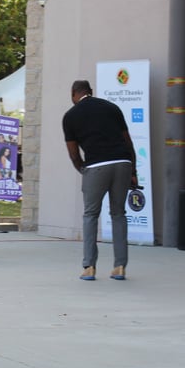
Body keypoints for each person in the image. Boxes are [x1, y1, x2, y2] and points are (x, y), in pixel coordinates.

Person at [61, 80, 137, 281]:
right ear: (91, 91)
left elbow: (73, 153)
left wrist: (83, 169)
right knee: (119, 213)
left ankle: (89, 267)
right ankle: (119, 267)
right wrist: (133, 171)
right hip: (122, 163)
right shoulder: (112, 108)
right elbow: (128, 142)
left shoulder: (70, 116)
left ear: (73, 94)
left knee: (91, 215)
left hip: (96, 166)